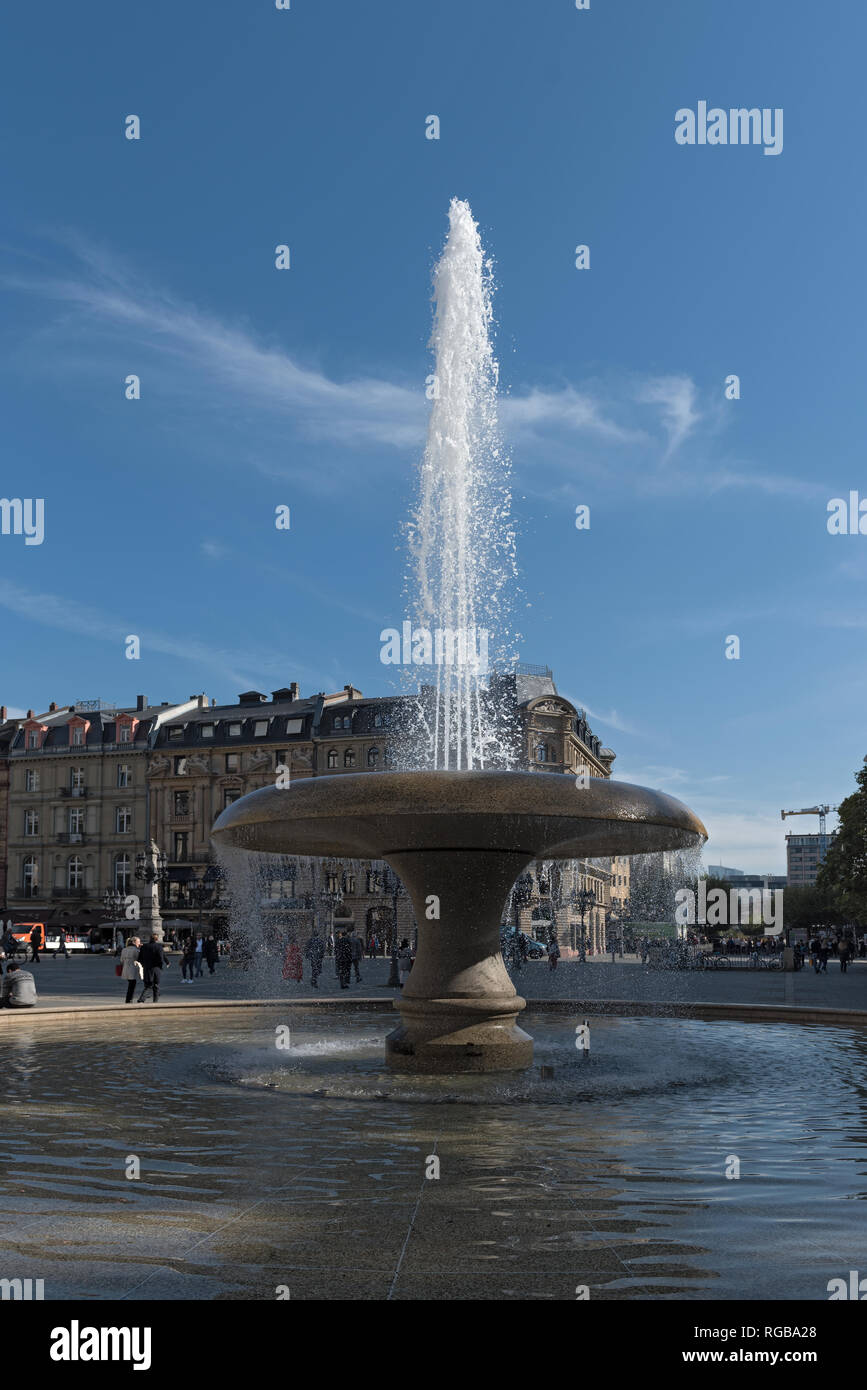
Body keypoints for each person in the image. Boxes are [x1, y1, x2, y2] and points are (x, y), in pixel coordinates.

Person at [138, 936, 169, 1002]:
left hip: (147, 968)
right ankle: (153, 1000)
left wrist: (144, 965)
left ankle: (143, 999)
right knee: (155, 985)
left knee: (149, 984)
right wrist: (163, 965)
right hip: (156, 968)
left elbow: (139, 958)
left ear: (150, 939)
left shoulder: (144, 946)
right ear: (157, 939)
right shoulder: (159, 947)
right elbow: (161, 957)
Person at [120, 936, 142, 1004]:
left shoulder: (124, 949)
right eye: (138, 942)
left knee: (131, 984)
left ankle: (129, 999)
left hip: (125, 970)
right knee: (132, 986)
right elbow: (139, 959)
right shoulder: (136, 950)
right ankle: (129, 1000)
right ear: (134, 942)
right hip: (132, 969)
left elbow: (121, 961)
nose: (139, 943)